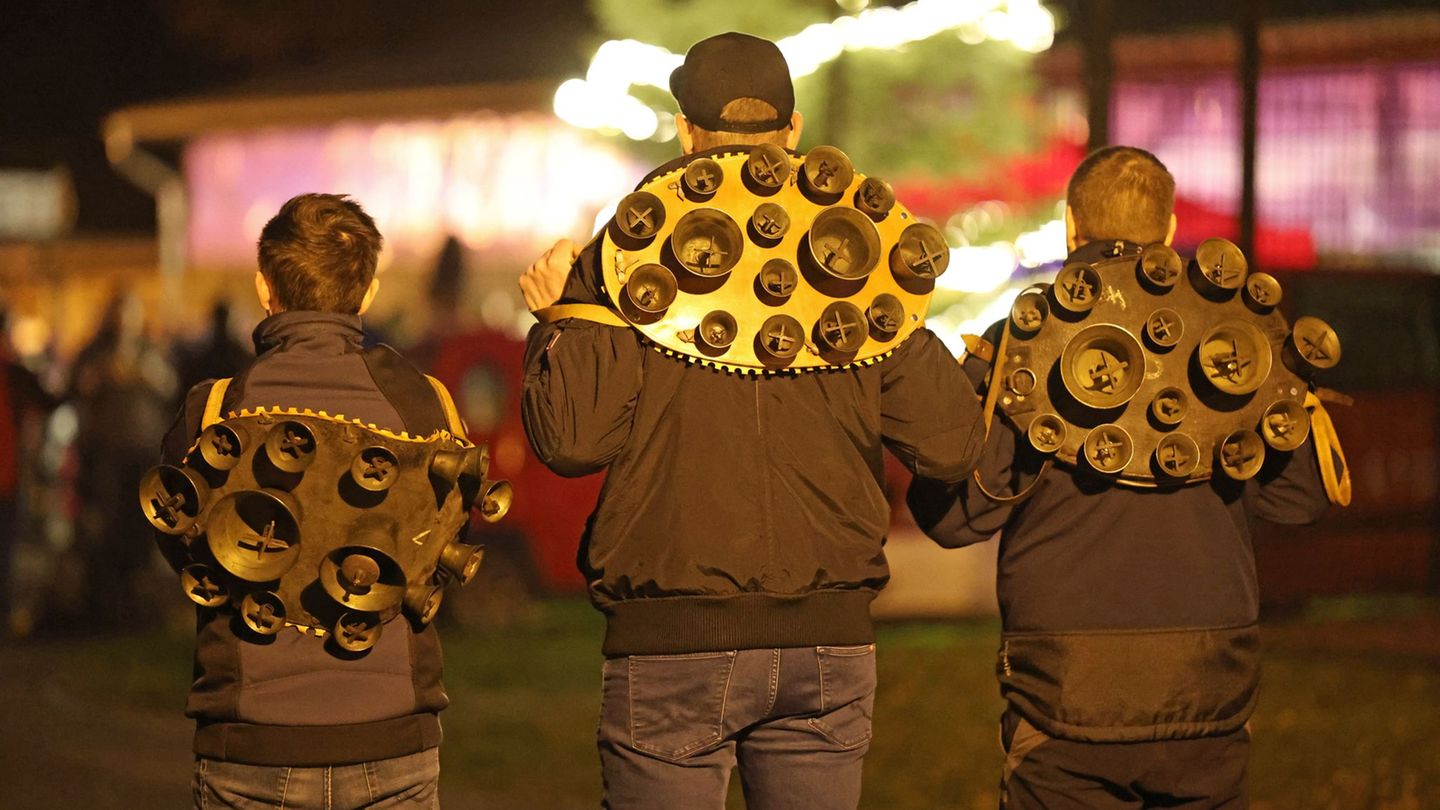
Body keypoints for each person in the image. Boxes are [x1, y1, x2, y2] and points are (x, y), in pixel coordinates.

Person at [519, 32, 986, 810]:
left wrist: (561, 316)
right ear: (794, 130)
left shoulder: (627, 251)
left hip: (672, 636)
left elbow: (573, 440)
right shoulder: (855, 252)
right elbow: (950, 444)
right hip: (826, 637)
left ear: (685, 129)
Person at [907, 146, 1336, 809]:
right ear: (1166, 231)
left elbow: (959, 517)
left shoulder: (1024, 338)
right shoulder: (1235, 341)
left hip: (1068, 692)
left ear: (1072, 226)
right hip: (1209, 682)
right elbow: (1299, 498)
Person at [160, 194, 463, 808]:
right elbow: (442, 544)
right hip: (392, 739)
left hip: (252, 746)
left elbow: (180, 542)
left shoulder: (214, 408)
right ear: (369, 292)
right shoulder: (425, 403)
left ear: (264, 288)